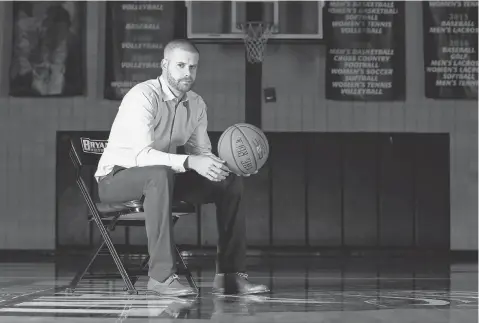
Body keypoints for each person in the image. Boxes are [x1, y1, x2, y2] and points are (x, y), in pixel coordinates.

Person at [94, 39, 269, 297]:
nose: (188, 73)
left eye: (193, 67)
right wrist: (190, 162)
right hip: (115, 179)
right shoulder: (142, 96)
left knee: (228, 182)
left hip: (162, 181)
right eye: (181, 65)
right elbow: (143, 156)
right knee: (159, 173)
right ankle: (161, 277)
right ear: (164, 65)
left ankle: (231, 277)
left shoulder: (196, 104)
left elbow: (201, 154)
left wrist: (229, 167)